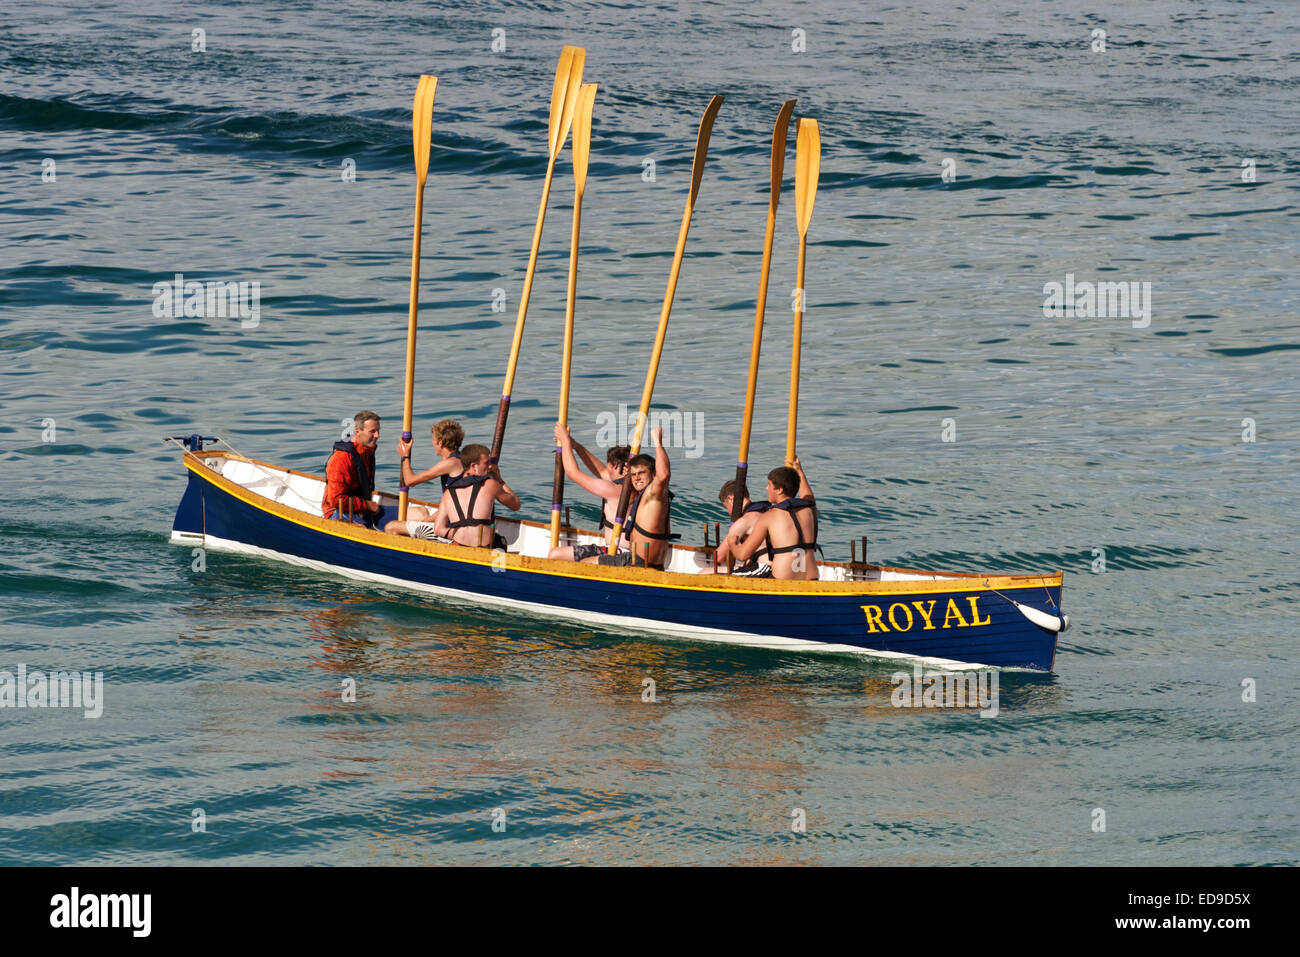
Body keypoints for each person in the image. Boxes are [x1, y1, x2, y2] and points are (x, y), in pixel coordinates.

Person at [547, 425, 629, 561]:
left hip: (617, 552)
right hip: (626, 550)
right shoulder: (632, 486)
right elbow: (602, 471)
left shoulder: (612, 490)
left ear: (614, 466)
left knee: (554, 555)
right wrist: (576, 446)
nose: (605, 471)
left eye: (608, 466)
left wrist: (565, 441)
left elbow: (573, 473)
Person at [730, 457, 818, 580]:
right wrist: (799, 471)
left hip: (782, 580)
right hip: (812, 578)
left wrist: (733, 544)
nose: (767, 488)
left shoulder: (769, 517)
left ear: (780, 490)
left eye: (769, 485)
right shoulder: (810, 510)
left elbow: (743, 555)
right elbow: (807, 494)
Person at [385, 418, 465, 536]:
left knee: (391, 527)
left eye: (433, 440)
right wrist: (424, 521)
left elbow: (409, 481)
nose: (432, 443)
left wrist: (405, 456)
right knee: (420, 516)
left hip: (457, 529)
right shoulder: (463, 459)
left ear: (440, 442)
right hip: (457, 519)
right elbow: (449, 506)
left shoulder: (450, 463)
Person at [430, 444, 521, 547]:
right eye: (486, 463)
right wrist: (500, 480)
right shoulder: (490, 484)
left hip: (458, 546)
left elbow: (438, 529)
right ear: (473, 466)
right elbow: (516, 505)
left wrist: (460, 535)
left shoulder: (448, 493)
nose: (490, 466)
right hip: (484, 549)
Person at [323, 410, 386, 528]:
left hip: (363, 509)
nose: (377, 435)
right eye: (372, 431)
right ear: (357, 431)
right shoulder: (342, 458)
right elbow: (336, 500)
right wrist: (367, 505)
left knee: (419, 513)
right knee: (363, 530)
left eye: (378, 431)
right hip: (339, 512)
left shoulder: (367, 452)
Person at [712, 479, 773, 577]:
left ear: (730, 498)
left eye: (726, 506)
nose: (729, 512)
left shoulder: (744, 521)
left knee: (702, 573)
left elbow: (719, 557)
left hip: (763, 568)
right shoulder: (766, 511)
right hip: (777, 566)